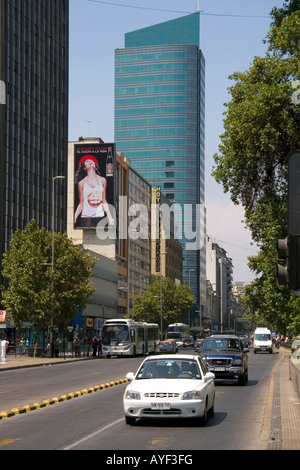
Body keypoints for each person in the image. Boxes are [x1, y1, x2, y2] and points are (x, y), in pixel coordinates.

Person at [74, 156, 114, 227]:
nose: (90, 161)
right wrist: (74, 217)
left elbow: (104, 201)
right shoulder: (82, 183)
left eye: (91, 160)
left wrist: (110, 217)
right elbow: (81, 204)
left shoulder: (102, 180)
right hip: (86, 217)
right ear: (84, 168)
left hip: (99, 216)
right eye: (87, 161)